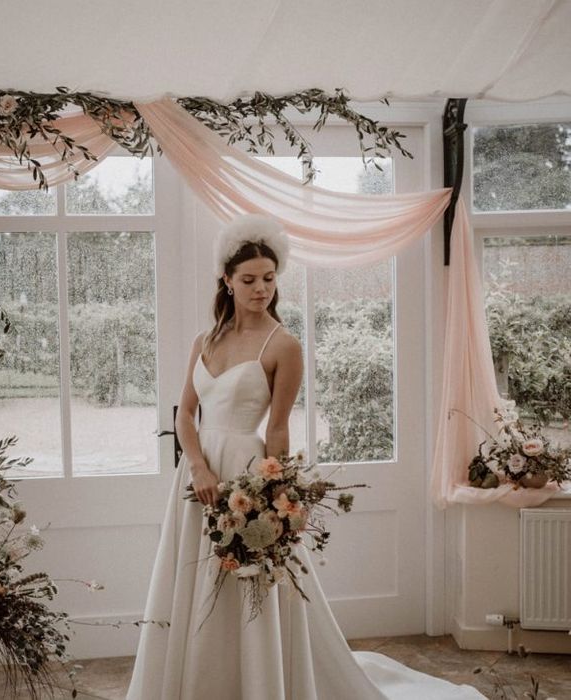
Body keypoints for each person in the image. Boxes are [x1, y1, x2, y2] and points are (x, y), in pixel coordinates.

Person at [126, 215, 485, 699]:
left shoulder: (284, 345)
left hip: (246, 476)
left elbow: (276, 429)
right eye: (249, 280)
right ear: (227, 282)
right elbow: (186, 415)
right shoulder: (204, 341)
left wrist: (275, 498)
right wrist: (196, 465)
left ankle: (259, 681)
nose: (261, 289)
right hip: (198, 478)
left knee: (250, 579)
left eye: (269, 279)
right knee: (193, 578)